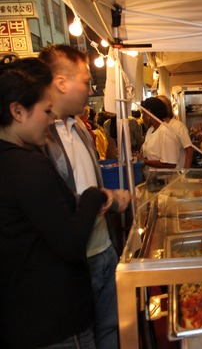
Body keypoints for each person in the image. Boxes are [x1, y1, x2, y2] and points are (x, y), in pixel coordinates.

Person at [0, 57, 111, 348]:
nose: (51, 119)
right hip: (55, 319)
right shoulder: (27, 165)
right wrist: (92, 195)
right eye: (46, 111)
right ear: (18, 111)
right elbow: (70, 242)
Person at [39, 44, 131, 349]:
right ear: (62, 83)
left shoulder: (80, 127)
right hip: (75, 259)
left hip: (103, 248)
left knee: (111, 330)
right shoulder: (39, 135)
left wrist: (113, 199)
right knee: (83, 337)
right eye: (86, 81)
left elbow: (92, 181)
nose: (90, 88)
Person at [139, 97, 179, 176]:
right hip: (152, 178)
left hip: (163, 179)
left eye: (143, 113)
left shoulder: (166, 132)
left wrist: (145, 161)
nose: (142, 117)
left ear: (149, 113)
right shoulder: (151, 131)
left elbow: (171, 164)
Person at [157, 94, 194, 169]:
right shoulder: (155, 127)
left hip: (177, 172)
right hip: (161, 174)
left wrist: (185, 172)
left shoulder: (178, 126)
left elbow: (189, 149)